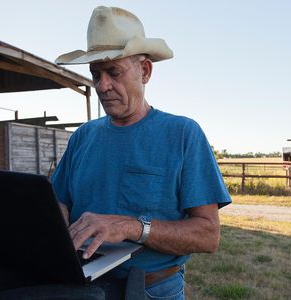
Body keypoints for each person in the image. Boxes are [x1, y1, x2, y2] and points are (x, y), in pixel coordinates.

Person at [51, 6, 231, 299]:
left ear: (144, 71)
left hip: (152, 289)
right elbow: (60, 205)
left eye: (114, 72)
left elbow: (208, 235)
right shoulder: (83, 136)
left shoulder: (182, 134)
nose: (102, 86)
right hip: (79, 285)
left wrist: (132, 227)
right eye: (95, 74)